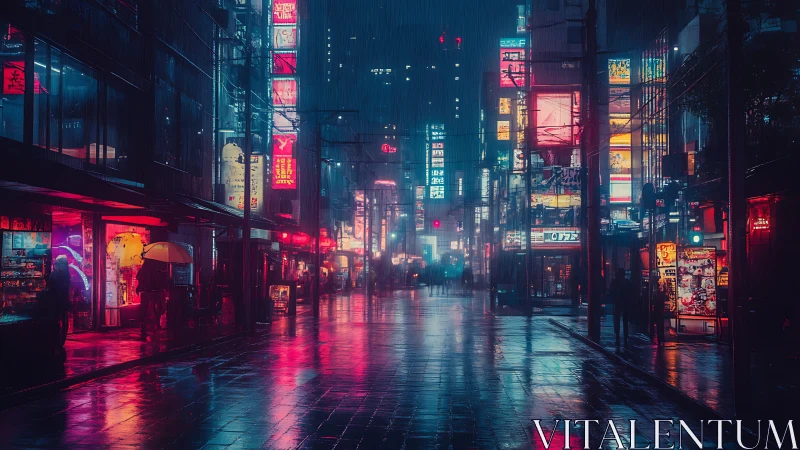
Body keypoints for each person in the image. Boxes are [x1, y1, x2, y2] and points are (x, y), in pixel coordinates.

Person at [46, 255, 71, 359]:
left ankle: (58, 343)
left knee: (60, 322)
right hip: (60, 302)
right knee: (63, 323)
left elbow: (51, 288)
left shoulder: (56, 275)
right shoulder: (64, 275)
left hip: (58, 302)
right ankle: (59, 343)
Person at [137, 258, 168, 340]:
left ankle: (144, 327)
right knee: (156, 308)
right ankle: (156, 325)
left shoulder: (143, 270)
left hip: (146, 292)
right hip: (154, 292)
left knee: (145, 309)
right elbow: (162, 282)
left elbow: (139, 278)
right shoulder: (157, 271)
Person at [609, 268, 633, 346]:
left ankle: (618, 336)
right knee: (625, 320)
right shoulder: (627, 282)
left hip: (617, 303)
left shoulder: (614, 283)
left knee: (617, 320)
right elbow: (631, 293)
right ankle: (625, 337)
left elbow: (611, 292)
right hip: (625, 303)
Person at [653, 281, 668, 346]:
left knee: (659, 325)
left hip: (658, 311)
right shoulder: (661, 294)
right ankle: (661, 338)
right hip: (660, 310)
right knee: (661, 325)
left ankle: (660, 338)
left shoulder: (656, 294)